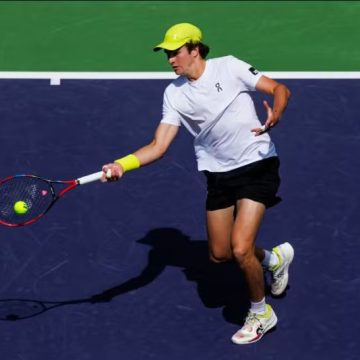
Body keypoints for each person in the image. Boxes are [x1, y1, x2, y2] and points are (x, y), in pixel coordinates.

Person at [101, 23, 294, 345]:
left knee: (240, 247)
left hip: (257, 163)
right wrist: (122, 164)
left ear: (194, 48)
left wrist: (277, 111)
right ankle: (273, 260)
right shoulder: (174, 93)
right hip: (218, 174)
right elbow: (158, 146)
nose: (170, 60)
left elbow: (279, 88)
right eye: (167, 54)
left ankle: (261, 313)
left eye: (175, 52)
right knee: (220, 255)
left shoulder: (229, 67)